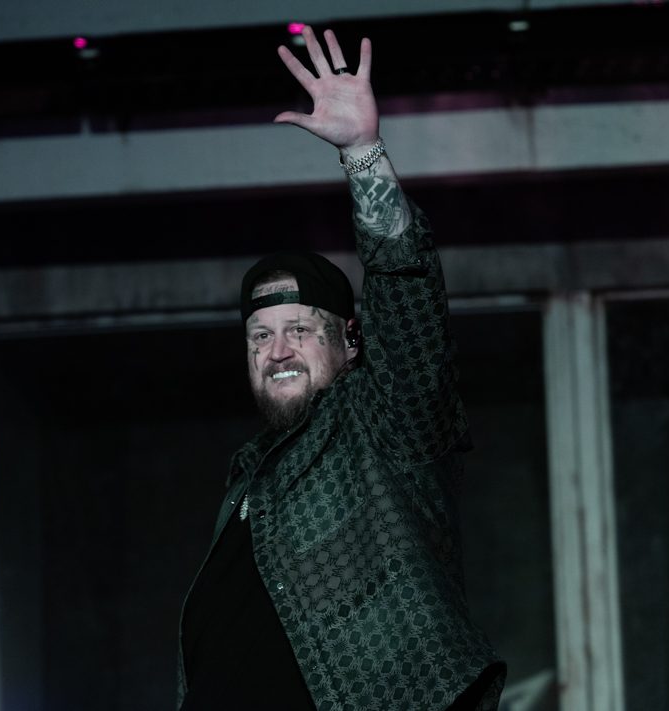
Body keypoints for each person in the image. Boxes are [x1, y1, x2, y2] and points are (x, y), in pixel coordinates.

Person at [177, 26, 505, 711]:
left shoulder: (383, 424)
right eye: (260, 336)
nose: (277, 350)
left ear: (350, 343)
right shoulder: (248, 477)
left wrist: (362, 153)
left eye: (299, 330)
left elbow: (407, 295)